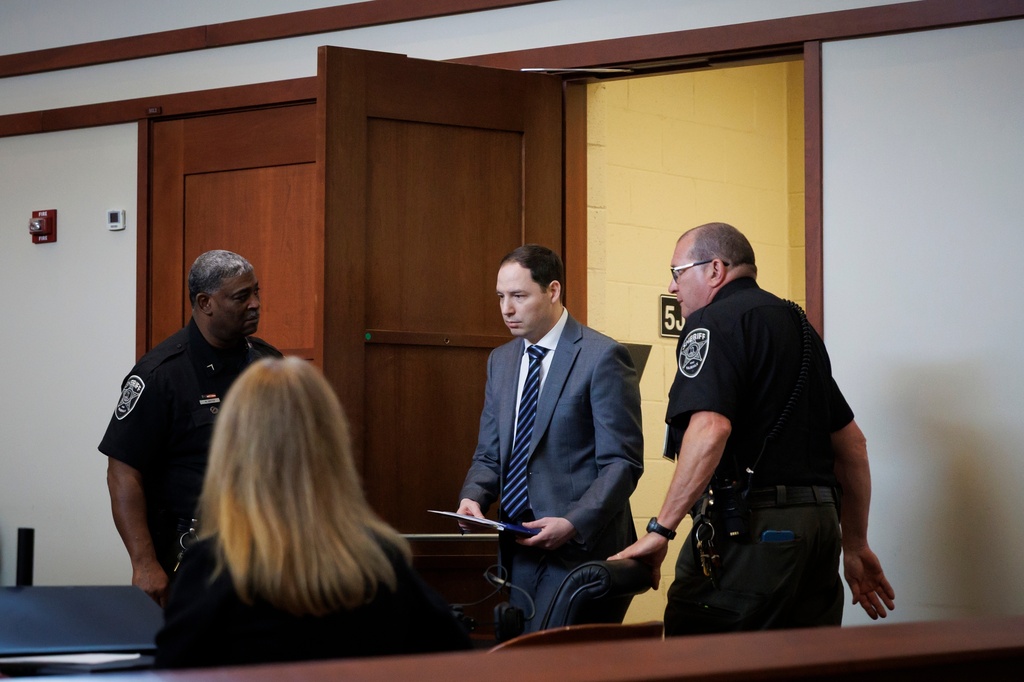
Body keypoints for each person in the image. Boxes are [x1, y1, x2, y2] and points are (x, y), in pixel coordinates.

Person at [611, 222, 895, 634]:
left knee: (699, 648)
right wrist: (854, 544)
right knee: (805, 660)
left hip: (754, 530)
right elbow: (853, 445)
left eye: (677, 272)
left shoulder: (711, 322)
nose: (672, 287)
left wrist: (660, 530)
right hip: (819, 532)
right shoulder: (799, 327)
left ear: (715, 269)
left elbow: (710, 428)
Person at [155, 357, 471, 667]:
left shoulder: (211, 568)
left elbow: (171, 669)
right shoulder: (381, 564)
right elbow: (459, 659)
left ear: (230, 452)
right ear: (334, 447)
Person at [456, 244, 644, 636]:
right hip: (519, 546)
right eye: (500, 297)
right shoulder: (501, 360)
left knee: (560, 660)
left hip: (581, 550)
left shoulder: (603, 356)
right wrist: (474, 496)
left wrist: (573, 522)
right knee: (523, 656)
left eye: (518, 296)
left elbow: (622, 463)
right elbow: (490, 452)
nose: (507, 309)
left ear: (553, 290)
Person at [99, 250, 281, 606]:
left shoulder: (269, 363)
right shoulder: (160, 374)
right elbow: (122, 473)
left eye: (256, 292)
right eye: (241, 297)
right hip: (193, 553)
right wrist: (144, 563)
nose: (256, 304)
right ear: (205, 303)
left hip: (266, 548)